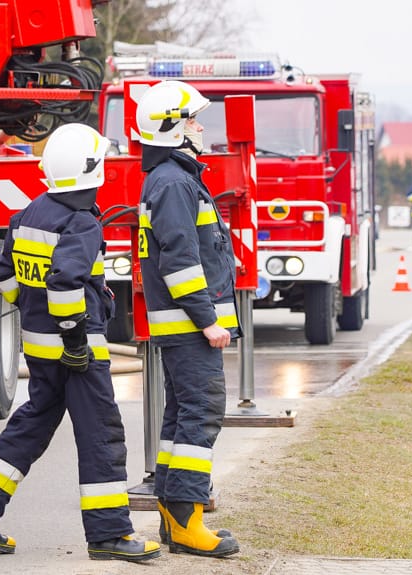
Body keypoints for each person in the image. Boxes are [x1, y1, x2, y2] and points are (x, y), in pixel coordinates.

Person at [0, 123, 161, 563]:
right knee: (101, 435)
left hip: (39, 347)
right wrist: (73, 339)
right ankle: (109, 535)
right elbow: (66, 281)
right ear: (93, 171)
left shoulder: (29, 212)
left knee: (31, 424)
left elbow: (5, 275)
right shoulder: (81, 222)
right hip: (76, 351)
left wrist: (35, 312)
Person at [135, 80, 241, 558]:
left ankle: (175, 518)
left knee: (180, 417)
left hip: (182, 327)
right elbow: (179, 261)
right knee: (200, 416)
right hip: (190, 327)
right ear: (174, 128)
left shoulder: (170, 178)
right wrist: (208, 320)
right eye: (193, 119)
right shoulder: (175, 182)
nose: (200, 125)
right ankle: (187, 522)